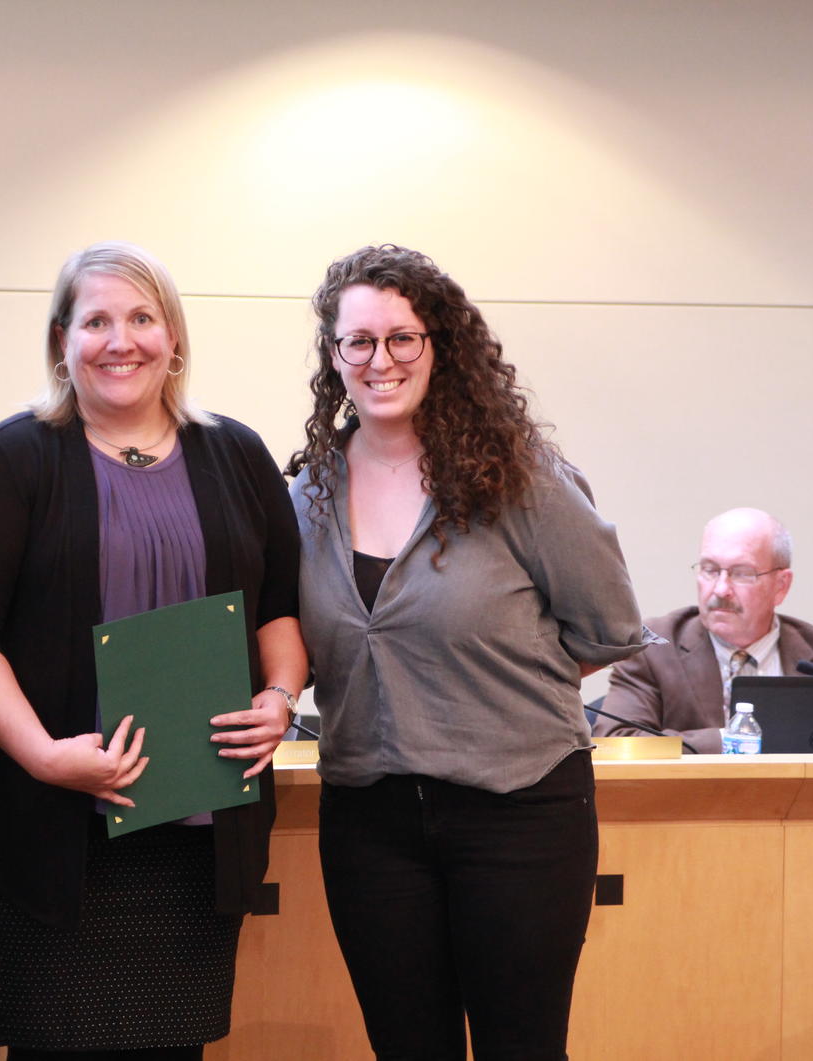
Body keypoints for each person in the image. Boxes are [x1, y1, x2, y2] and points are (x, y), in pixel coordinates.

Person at [0, 241, 306, 1060]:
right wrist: (42, 756)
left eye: (142, 318)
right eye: (96, 320)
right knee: (57, 1043)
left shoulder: (237, 454)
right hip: (51, 822)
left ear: (173, 338)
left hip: (198, 822)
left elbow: (280, 610)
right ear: (61, 341)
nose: (121, 340)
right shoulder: (12, 458)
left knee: (176, 1046)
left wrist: (279, 699)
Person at [288, 244, 650, 1060]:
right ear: (334, 356)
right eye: (358, 342)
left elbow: (605, 630)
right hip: (369, 819)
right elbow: (297, 646)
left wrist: (489, 690)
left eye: (403, 338)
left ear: (440, 346)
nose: (380, 360)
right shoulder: (306, 495)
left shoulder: (522, 479)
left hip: (519, 813)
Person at [594, 508, 813, 752]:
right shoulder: (655, 649)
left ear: (781, 585)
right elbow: (618, 743)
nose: (720, 589)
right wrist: (732, 740)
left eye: (741, 573)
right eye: (710, 570)